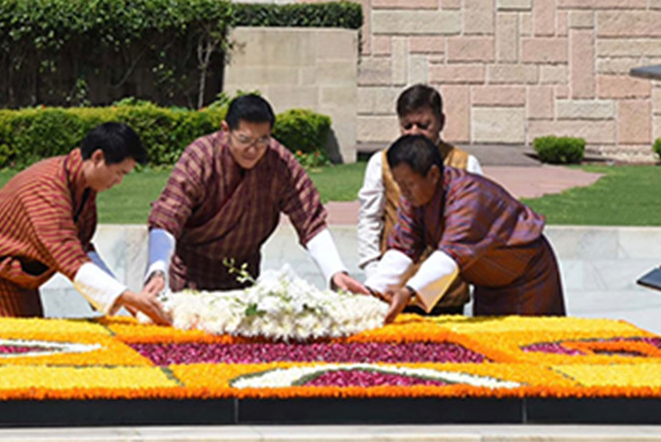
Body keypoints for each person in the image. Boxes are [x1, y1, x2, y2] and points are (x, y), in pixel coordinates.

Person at [142, 94, 370, 296]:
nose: (253, 150)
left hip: (245, 276)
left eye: (262, 140)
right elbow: (167, 217)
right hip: (191, 273)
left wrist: (335, 272)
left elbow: (309, 218)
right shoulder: (200, 157)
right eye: (244, 140)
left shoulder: (278, 162)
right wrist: (157, 270)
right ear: (225, 130)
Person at [0, 122, 171, 325]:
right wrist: (127, 297)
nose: (118, 182)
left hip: (17, 277)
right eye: (118, 173)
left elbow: (80, 246)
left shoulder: (81, 185)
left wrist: (125, 299)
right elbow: (68, 257)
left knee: (28, 344)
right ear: (98, 157)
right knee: (3, 348)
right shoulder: (48, 190)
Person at [366, 135, 566, 323]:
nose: (404, 192)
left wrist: (409, 292)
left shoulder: (469, 196)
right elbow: (402, 248)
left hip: (528, 278)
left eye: (409, 184)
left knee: (534, 346)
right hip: (488, 284)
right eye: (399, 184)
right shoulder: (413, 201)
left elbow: (450, 254)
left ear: (434, 174)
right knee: (490, 348)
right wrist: (372, 291)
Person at [356, 84, 482, 316]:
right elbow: (369, 220)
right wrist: (374, 276)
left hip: (447, 293)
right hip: (393, 287)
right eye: (407, 126)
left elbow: (467, 237)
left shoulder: (466, 165)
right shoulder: (381, 162)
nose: (414, 132)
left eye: (424, 126)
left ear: (441, 122)